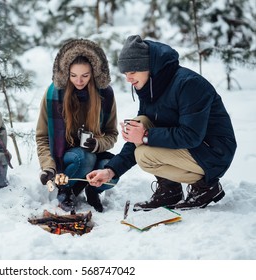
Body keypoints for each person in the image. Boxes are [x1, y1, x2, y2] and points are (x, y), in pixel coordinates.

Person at [86, 35, 237, 211]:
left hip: (213, 152)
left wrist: (145, 136)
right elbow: (139, 135)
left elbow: (192, 135)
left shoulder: (188, 84)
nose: (128, 79)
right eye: (125, 73)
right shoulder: (149, 86)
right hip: (193, 149)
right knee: (140, 122)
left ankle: (206, 188)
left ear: (147, 67)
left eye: (132, 72)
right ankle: (170, 190)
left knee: (145, 155)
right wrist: (111, 171)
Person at [36, 38, 119, 212]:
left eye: (85, 76)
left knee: (112, 173)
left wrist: (97, 144)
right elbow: (42, 136)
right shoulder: (54, 95)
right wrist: (48, 167)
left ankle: (92, 190)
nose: (79, 81)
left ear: (94, 73)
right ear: (66, 73)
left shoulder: (105, 95)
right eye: (73, 75)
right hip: (65, 160)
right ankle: (66, 190)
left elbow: (112, 134)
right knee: (83, 157)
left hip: (95, 154)